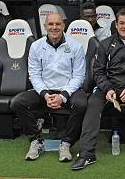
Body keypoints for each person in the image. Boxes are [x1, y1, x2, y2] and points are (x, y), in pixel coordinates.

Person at [71, 8, 125, 170]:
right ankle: (87, 154)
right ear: (116, 24)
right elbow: (98, 71)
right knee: (92, 104)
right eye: (121, 23)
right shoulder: (105, 44)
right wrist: (107, 88)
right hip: (109, 86)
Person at [10, 13, 87, 162]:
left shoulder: (76, 46)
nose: (54, 27)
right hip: (44, 90)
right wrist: (45, 94)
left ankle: (66, 143)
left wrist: (62, 96)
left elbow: (79, 76)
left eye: (58, 24)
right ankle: (36, 141)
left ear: (63, 26)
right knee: (17, 102)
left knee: (82, 104)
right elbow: (34, 75)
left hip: (68, 90)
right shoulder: (36, 46)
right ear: (45, 26)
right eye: (50, 24)